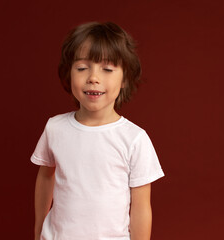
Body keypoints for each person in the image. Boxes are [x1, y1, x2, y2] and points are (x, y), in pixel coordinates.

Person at [30, 22, 165, 240]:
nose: (93, 77)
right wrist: (38, 230)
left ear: (124, 79)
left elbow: (141, 207)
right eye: (82, 68)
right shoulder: (55, 128)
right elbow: (46, 177)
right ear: (69, 74)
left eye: (108, 69)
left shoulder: (134, 139)